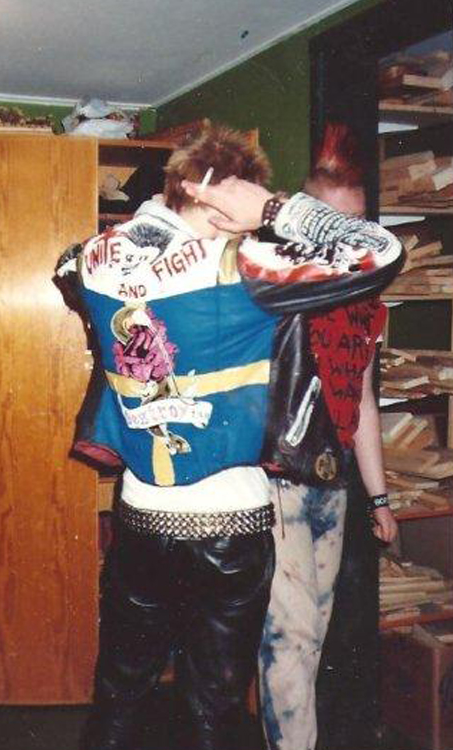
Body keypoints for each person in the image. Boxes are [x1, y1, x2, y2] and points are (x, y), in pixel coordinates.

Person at [57, 124, 402, 750]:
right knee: (213, 706)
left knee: (120, 692)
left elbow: (69, 269)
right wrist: (273, 210)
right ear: (221, 195)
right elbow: (381, 251)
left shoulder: (95, 255)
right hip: (230, 521)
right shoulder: (244, 267)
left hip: (141, 512)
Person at [251, 123, 398, 750]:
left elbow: (361, 399)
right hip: (277, 479)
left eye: (357, 224)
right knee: (291, 636)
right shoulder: (277, 291)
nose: (349, 240)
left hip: (332, 482)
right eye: (335, 224)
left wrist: (380, 498)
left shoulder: (367, 304)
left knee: (312, 633)